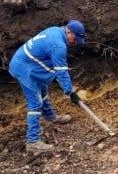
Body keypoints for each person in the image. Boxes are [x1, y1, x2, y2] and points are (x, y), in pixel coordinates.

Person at [8, 19, 88, 152]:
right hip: (24, 68)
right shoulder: (58, 46)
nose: (75, 43)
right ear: (69, 32)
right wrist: (70, 92)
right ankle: (33, 142)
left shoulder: (56, 31)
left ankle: (51, 117)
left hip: (29, 63)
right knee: (36, 102)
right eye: (75, 38)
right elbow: (61, 71)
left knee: (43, 90)